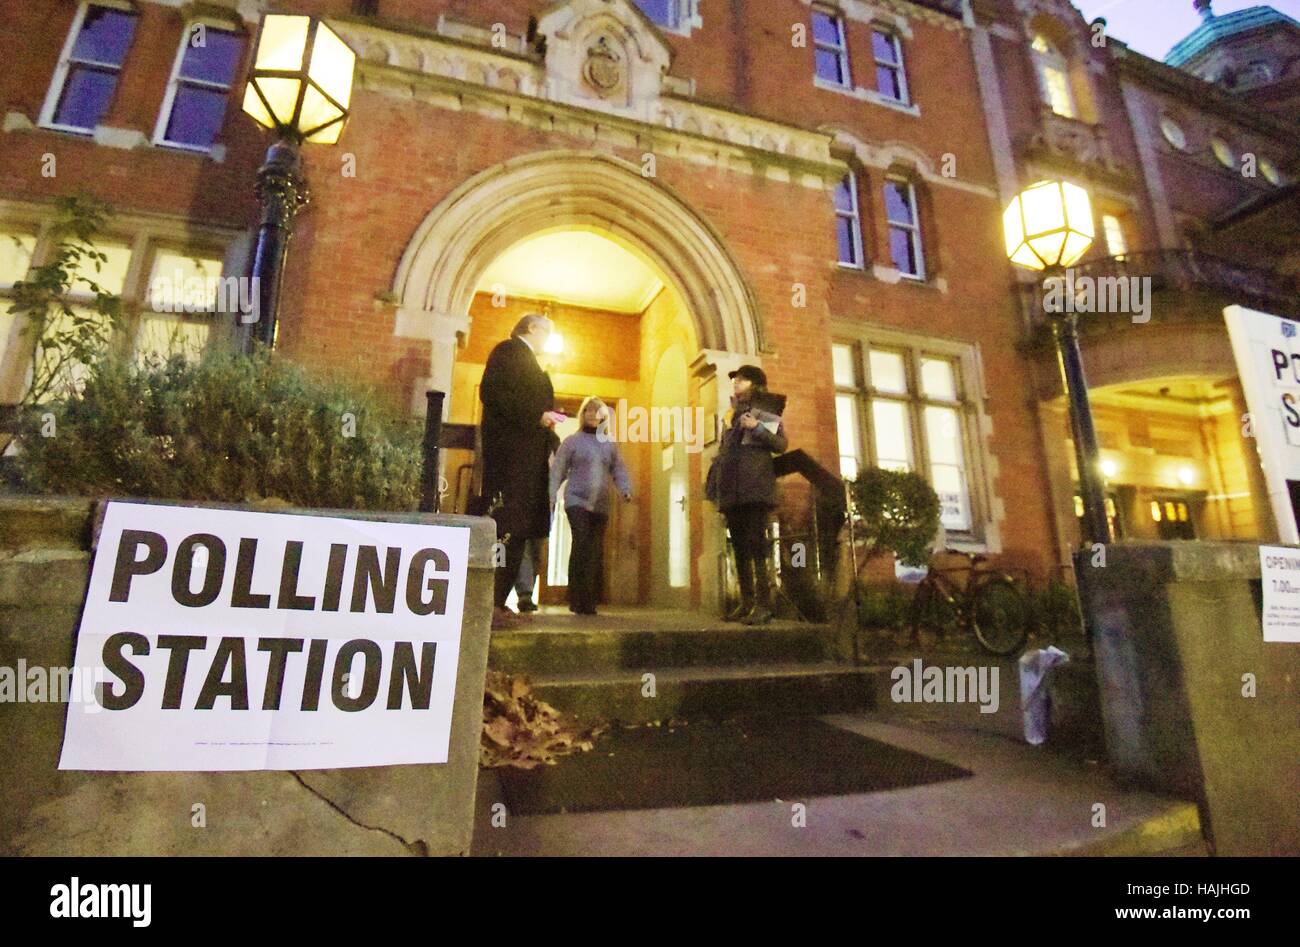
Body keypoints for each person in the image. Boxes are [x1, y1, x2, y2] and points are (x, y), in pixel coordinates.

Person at [479, 313, 566, 630]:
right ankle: (490, 602)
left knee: (519, 530)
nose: (548, 340)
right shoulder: (508, 351)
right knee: (507, 526)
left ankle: (498, 602)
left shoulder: (530, 361)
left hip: (528, 459)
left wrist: (551, 436)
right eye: (548, 333)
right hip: (511, 458)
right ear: (532, 328)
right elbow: (493, 394)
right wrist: (537, 416)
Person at [706, 364, 787, 625]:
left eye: (741, 380)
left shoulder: (765, 409)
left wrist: (757, 427)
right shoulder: (731, 414)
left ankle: (764, 605)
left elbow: (781, 445)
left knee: (757, 547)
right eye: (735, 380)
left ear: (754, 384)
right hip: (732, 491)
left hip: (754, 489)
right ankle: (747, 603)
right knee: (739, 549)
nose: (736, 384)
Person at [549, 396, 631, 616]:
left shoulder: (609, 444)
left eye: (598, 412)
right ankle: (576, 597)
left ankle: (588, 600)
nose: (593, 415)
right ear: (583, 415)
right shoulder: (572, 442)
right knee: (582, 543)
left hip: (601, 505)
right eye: (589, 411)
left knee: (594, 551)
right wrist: (551, 495)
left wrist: (625, 489)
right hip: (576, 501)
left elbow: (618, 469)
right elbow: (558, 469)